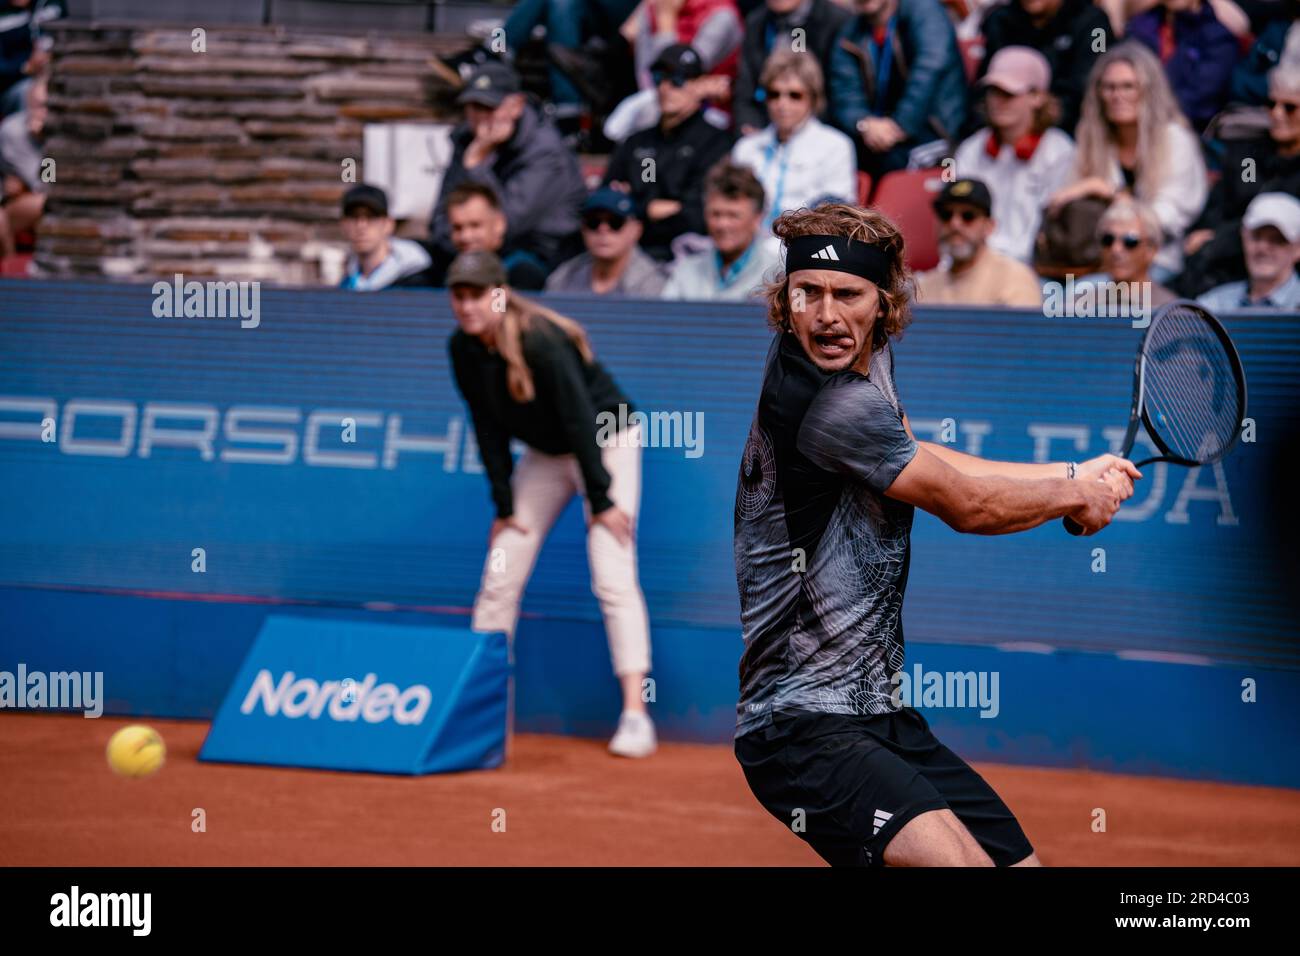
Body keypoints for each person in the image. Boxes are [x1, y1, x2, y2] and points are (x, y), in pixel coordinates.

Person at [732, 200, 1139, 867]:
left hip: (876, 715)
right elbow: (968, 506)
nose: (827, 314)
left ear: (884, 305)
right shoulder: (829, 400)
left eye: (848, 294)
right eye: (807, 293)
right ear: (785, 300)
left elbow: (922, 457)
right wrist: (1075, 495)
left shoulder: (862, 362)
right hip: (801, 725)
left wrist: (1071, 472)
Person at [446, 250, 657, 758]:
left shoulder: (542, 339)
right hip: (546, 454)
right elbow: (488, 429)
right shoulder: (462, 349)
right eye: (459, 295)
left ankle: (636, 715)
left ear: (499, 294)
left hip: (605, 440)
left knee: (611, 571)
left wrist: (602, 500)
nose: (467, 305)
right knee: (501, 571)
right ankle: (482, 711)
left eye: (477, 294)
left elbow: (580, 420)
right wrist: (505, 508)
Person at [1048, 42, 1207, 280]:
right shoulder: (1090, 140)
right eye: (1109, 87)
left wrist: (1109, 193)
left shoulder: (1175, 140)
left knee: (1079, 296)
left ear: (1148, 91)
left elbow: (1166, 220)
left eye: (1128, 87)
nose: (1117, 96)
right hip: (1090, 258)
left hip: (1155, 260)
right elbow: (1060, 201)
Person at [428, 62, 587, 282]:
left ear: (517, 105)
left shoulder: (546, 151)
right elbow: (439, 220)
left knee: (513, 273)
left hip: (545, 255)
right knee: (421, 265)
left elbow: (504, 224)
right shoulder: (467, 140)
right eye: (474, 106)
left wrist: (476, 165)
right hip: (479, 248)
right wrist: (459, 238)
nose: (481, 117)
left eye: (490, 107)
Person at [603, 44, 735, 263]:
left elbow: (697, 216)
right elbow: (606, 198)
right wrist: (651, 209)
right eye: (659, 78)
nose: (666, 88)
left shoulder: (716, 142)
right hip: (624, 251)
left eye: (678, 80)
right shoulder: (637, 140)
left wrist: (633, 205)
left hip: (682, 256)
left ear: (699, 85)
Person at [1177, 63, 1300, 297]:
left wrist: (1221, 238)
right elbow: (1215, 211)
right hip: (1221, 269)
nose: (1277, 114)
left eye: (1290, 107)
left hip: (1279, 276)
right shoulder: (1248, 157)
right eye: (1271, 104)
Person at [952, 46, 1076, 265]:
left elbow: (1047, 232)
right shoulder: (971, 148)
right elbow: (958, 219)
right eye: (993, 92)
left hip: (1031, 270)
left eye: (1008, 93)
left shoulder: (1059, 150)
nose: (997, 101)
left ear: (1037, 97)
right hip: (973, 265)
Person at [828, 0, 968, 179]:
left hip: (936, 128)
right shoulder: (850, 32)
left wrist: (898, 125)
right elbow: (844, 92)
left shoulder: (925, 11)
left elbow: (929, 72)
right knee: (837, 154)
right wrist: (864, 123)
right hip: (875, 132)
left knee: (895, 166)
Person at [731, 49, 857, 234]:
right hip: (747, 249)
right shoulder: (746, 148)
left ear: (813, 98)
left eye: (795, 95)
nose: (782, 104)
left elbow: (836, 219)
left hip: (802, 249)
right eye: (774, 94)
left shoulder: (836, 146)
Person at [976, 0, 1114, 133]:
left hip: (1074, 128)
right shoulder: (1000, 21)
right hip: (1003, 129)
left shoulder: (1097, 26)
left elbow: (1093, 79)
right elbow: (985, 83)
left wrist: (1046, 111)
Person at [913, 178, 1043, 306]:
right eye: (946, 215)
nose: (955, 224)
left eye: (968, 216)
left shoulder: (1014, 279)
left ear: (989, 226)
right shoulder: (925, 287)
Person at [732, 0, 853, 136]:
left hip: (819, 132)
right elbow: (745, 89)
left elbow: (843, 92)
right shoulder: (757, 22)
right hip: (766, 132)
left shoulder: (835, 21)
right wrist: (750, 125)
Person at [662, 160, 779, 300]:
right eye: (715, 214)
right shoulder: (686, 271)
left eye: (733, 215)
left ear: (757, 218)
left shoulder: (777, 276)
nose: (722, 225)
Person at [1126, 0, 1239, 131]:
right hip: (1133, 118)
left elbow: (1201, 99)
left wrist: (1151, 110)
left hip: (1184, 128)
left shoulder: (1217, 38)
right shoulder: (1142, 26)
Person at [545, 187, 669, 295]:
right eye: (593, 222)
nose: (603, 230)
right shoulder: (564, 276)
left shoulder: (655, 282)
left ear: (636, 230)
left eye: (615, 223)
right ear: (583, 229)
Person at [1198, 192, 1300, 310]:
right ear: (1243, 237)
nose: (1263, 248)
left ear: (1298, 248)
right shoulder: (1213, 305)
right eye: (1256, 237)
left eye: (1277, 240)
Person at [1075, 197, 1180, 307]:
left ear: (1151, 250)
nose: (1115, 249)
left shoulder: (1172, 313)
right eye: (1108, 240)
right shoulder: (1079, 305)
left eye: (1130, 241)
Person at [445, 182, 548, 290]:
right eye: (457, 228)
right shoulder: (445, 269)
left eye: (475, 225)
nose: (465, 236)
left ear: (499, 224)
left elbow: (503, 307)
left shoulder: (523, 272)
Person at [337, 185, 436, 291]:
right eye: (353, 217)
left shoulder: (419, 281)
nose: (361, 226)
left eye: (371, 217)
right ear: (343, 224)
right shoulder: (347, 280)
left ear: (388, 224)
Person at [0, 71, 46, 257]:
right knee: (43, 204)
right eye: (39, 106)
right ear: (27, 104)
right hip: (7, 204)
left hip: (29, 198)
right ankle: (12, 274)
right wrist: (47, 146)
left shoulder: (62, 131)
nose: (45, 113)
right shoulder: (13, 132)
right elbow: (45, 185)